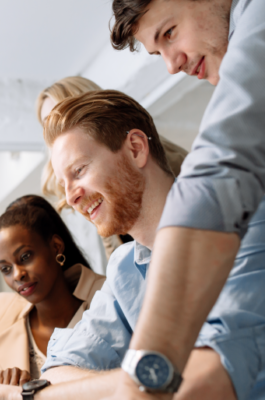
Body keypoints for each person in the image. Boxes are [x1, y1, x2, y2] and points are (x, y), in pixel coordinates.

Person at [0, 91, 265, 400]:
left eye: (79, 171)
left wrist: (21, 395)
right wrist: (140, 379)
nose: (70, 197)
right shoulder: (125, 268)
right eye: (64, 184)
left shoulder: (242, 219)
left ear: (136, 149)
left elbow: (204, 381)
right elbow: (58, 371)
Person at [106, 0, 265, 398]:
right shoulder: (122, 266)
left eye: (170, 33)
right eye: (158, 53)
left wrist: (146, 370)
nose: (172, 66)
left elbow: (219, 170)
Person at [0, 195, 105, 398]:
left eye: (25, 257)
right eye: (5, 268)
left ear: (56, 247)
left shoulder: (106, 301)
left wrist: (18, 394)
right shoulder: (3, 314)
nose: (17, 275)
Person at [35, 76, 187, 260]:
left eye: (80, 169)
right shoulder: (122, 265)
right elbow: (113, 247)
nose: (71, 198)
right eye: (46, 123)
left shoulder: (166, 169)